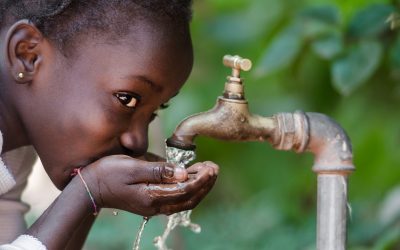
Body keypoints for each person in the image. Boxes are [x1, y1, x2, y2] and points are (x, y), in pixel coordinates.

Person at [0, 0, 219, 249]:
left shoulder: (13, 151)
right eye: (127, 99)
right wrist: (89, 190)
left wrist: (92, 192)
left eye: (155, 111)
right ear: (28, 55)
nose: (138, 142)